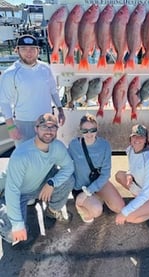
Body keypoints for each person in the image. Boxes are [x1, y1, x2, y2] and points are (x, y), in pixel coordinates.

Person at [0, 113, 74, 243]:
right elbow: (12, 190)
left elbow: (69, 168)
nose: (49, 131)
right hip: (10, 194)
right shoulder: (22, 155)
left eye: (53, 127)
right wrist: (18, 225)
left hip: (36, 187)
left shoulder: (57, 147)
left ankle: (52, 211)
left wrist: (51, 182)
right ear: (36, 128)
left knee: (69, 180)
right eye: (44, 126)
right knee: (13, 235)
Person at [0, 34, 65, 147]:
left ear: (38, 51)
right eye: (24, 49)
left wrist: (60, 110)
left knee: (49, 157)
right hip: (24, 124)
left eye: (32, 49)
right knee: (25, 160)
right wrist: (11, 127)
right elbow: (5, 102)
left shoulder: (45, 68)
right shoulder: (10, 73)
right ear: (17, 50)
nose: (28, 53)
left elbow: (53, 91)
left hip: (47, 122)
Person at [68, 113, 124, 223]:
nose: (89, 134)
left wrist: (88, 192)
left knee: (119, 207)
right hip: (80, 186)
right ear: (81, 131)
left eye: (92, 130)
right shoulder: (73, 145)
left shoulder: (105, 145)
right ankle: (80, 206)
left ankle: (94, 197)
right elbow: (65, 166)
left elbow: (106, 174)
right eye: (85, 131)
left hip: (98, 182)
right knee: (96, 211)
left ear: (97, 130)